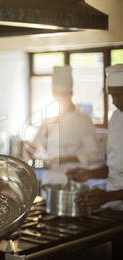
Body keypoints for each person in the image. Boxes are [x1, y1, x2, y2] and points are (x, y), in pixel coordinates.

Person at [24, 66, 105, 194]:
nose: (58, 99)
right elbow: (35, 147)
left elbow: (97, 156)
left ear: (71, 94)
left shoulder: (83, 121)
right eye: (56, 96)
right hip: (49, 185)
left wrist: (66, 158)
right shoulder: (47, 120)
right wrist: (29, 150)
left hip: (73, 185)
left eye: (62, 95)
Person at [66, 64, 123, 210]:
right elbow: (115, 168)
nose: (114, 102)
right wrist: (90, 173)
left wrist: (109, 196)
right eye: (111, 95)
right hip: (114, 206)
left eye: (118, 95)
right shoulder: (116, 117)